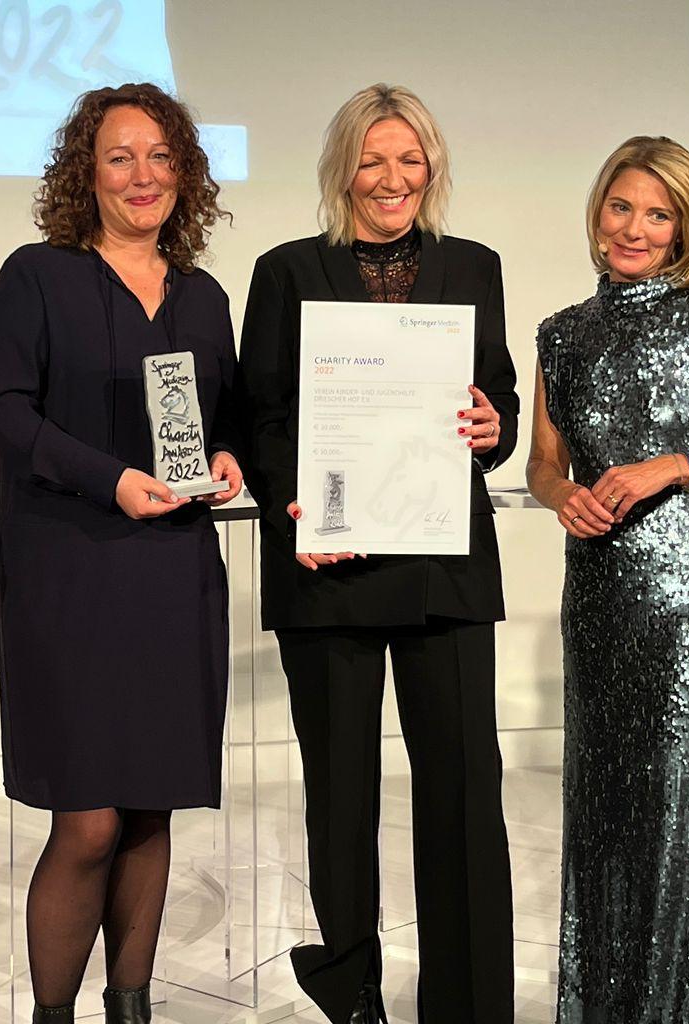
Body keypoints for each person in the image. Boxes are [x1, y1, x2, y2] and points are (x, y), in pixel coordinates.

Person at [235, 83, 518, 1023]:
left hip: (445, 569)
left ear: (430, 167)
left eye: (409, 159)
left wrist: (493, 426)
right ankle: (353, 992)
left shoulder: (476, 267)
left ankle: (469, 1003)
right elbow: (263, 415)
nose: (391, 178)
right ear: (342, 168)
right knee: (341, 800)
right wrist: (295, 511)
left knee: (465, 794)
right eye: (372, 158)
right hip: (331, 570)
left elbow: (501, 401)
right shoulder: (285, 270)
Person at [0, 83, 243, 1024]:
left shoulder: (204, 296)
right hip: (70, 574)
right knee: (86, 818)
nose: (142, 176)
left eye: (161, 157)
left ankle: (132, 1007)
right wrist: (109, 479)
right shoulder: (36, 276)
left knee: (152, 807)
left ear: (185, 175)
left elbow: (227, 419)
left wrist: (228, 458)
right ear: (85, 173)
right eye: (120, 157)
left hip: (173, 574)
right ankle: (53, 1016)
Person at [525, 135, 689, 1023]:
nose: (633, 229)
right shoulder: (562, 333)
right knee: (611, 817)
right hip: (600, 601)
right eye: (620, 207)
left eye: (657, 214)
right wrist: (563, 497)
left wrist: (667, 466)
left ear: (685, 229)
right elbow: (543, 465)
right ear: (598, 211)